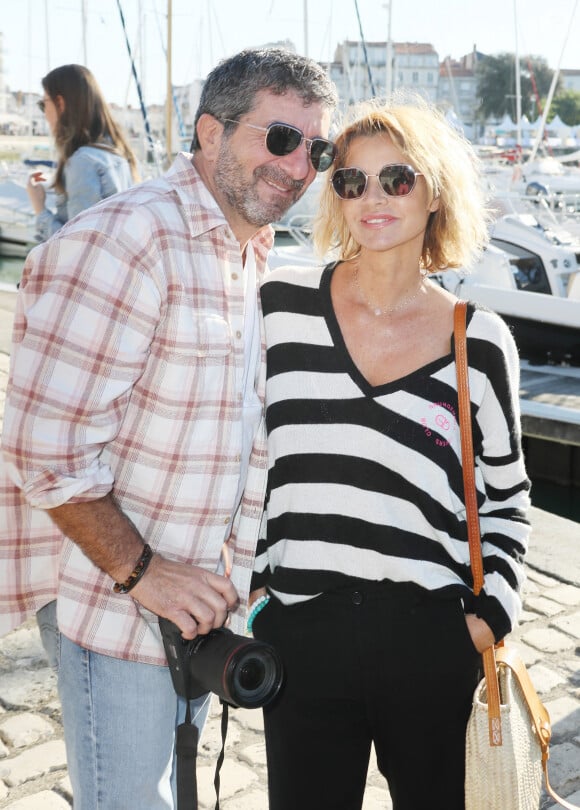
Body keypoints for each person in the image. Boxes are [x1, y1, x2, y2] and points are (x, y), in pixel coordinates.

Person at [0, 47, 337, 809]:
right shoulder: (128, 239)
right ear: (210, 134)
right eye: (279, 138)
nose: (300, 167)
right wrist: (145, 573)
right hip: (118, 608)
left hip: (198, 610)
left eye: (316, 149)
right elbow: (42, 451)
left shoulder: (250, 250)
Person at [250, 97, 531, 810]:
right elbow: (245, 460)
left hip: (429, 639)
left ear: (433, 191)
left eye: (396, 179)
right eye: (352, 181)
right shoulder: (279, 307)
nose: (373, 198)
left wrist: (486, 618)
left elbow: (506, 495)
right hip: (301, 633)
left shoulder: (479, 339)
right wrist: (257, 603)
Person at [27, 63, 140, 242]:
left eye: (44, 104)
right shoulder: (119, 154)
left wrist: (39, 208)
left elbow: (77, 243)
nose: (44, 114)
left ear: (60, 103)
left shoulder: (82, 162)